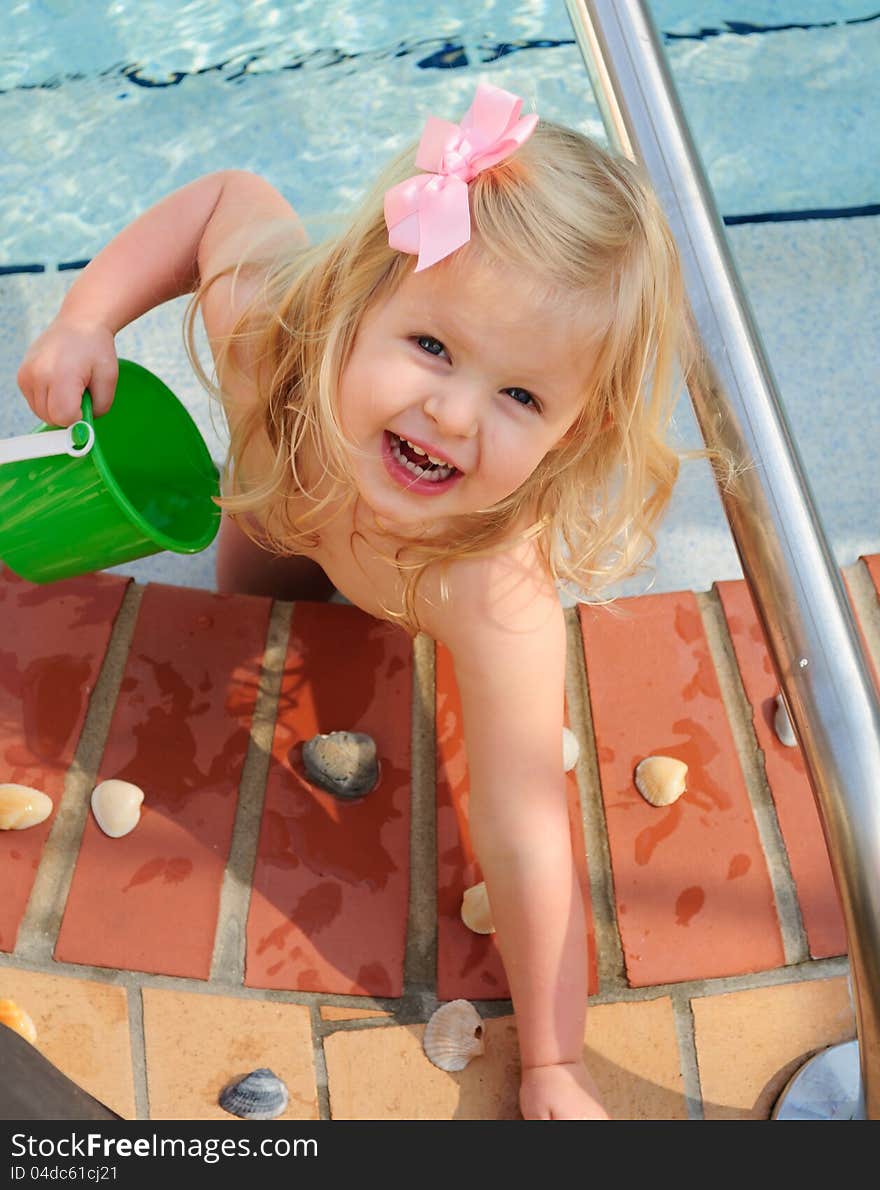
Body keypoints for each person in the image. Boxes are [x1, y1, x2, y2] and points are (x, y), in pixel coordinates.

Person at [17, 82, 690, 1120]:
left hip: (408, 584)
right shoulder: (268, 333)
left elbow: (522, 830)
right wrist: (84, 319)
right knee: (252, 607)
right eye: (432, 345)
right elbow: (219, 203)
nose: (453, 413)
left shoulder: (491, 584)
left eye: (521, 397)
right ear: (358, 296)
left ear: (573, 431)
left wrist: (555, 1060)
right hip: (283, 505)